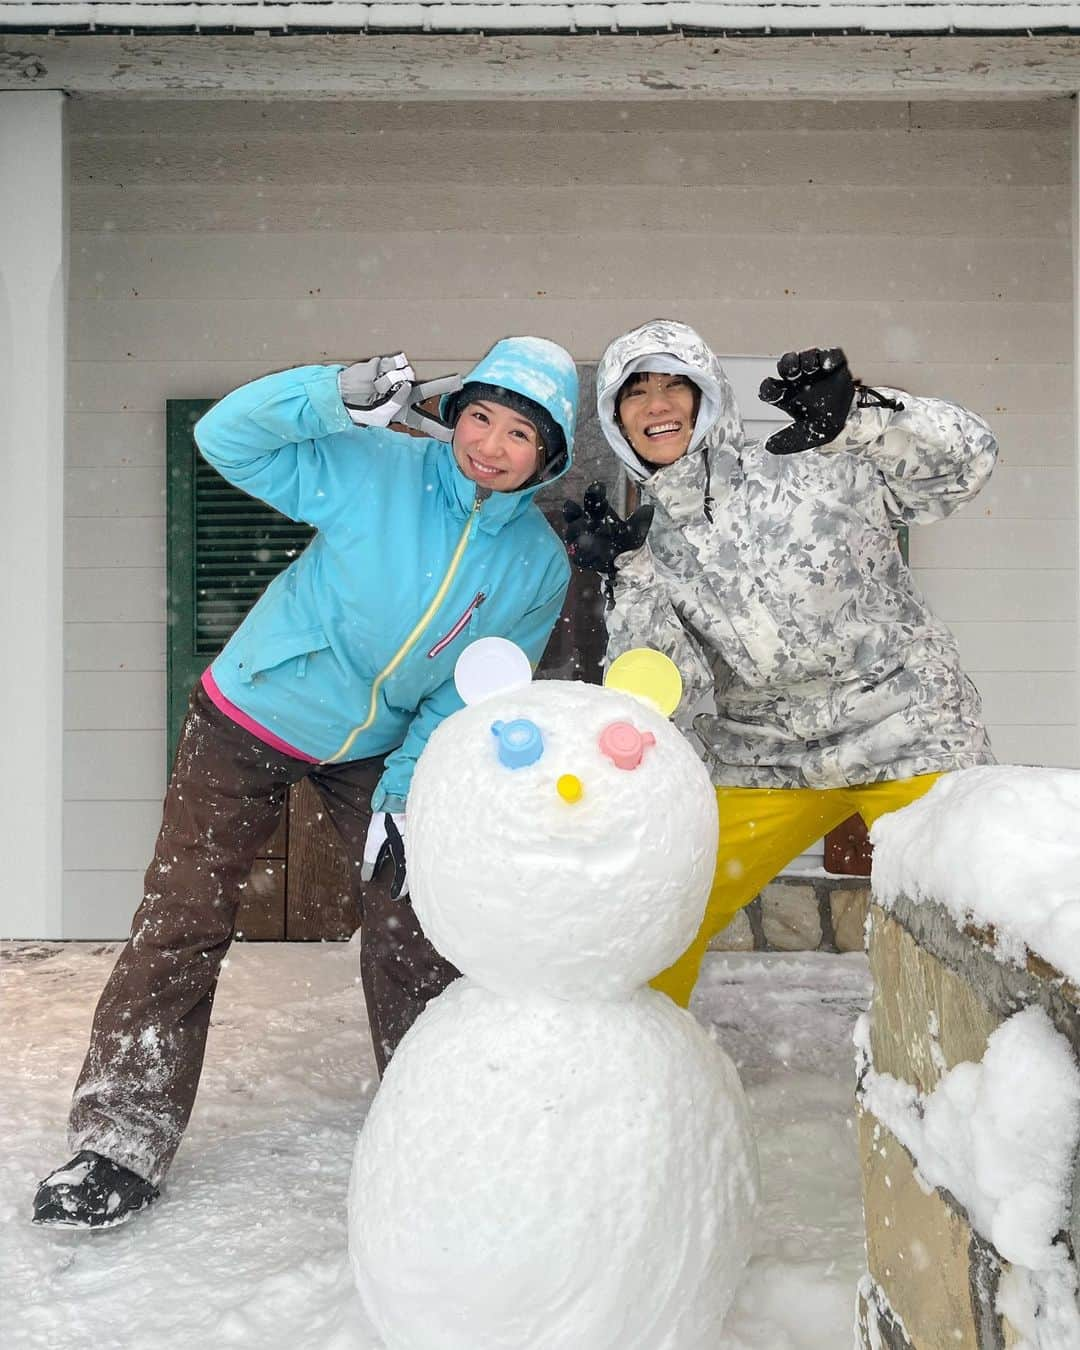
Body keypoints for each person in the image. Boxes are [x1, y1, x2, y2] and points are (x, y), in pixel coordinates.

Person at [34, 336, 578, 1229]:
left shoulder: (537, 566)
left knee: (415, 922)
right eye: (479, 416)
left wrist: (404, 796)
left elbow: (473, 683)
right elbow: (226, 439)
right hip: (250, 714)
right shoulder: (382, 468)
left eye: (519, 432)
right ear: (454, 418)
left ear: (547, 456)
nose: (490, 443)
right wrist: (329, 397)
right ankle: (117, 1143)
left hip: (379, 752)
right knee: (185, 917)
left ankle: (434, 1123)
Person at [564, 318, 996, 1008]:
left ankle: (1006, 1079)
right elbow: (666, 691)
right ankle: (633, 1069)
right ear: (616, 417)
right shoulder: (652, 539)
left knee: (981, 906)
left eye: (676, 384)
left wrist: (862, 414)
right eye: (635, 391)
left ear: (707, 396)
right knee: (660, 906)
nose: (658, 405)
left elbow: (965, 467)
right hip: (766, 754)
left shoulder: (813, 456)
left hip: (907, 729)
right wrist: (630, 573)